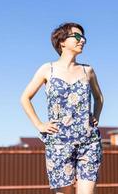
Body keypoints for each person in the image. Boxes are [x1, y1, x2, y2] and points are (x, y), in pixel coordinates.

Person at [20, 22, 104, 194]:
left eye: (84, 38)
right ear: (62, 42)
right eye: (78, 36)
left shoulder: (88, 71)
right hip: (58, 143)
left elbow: (99, 98)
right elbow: (25, 98)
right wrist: (40, 125)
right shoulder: (47, 69)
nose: (83, 41)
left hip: (88, 142)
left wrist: (95, 117)